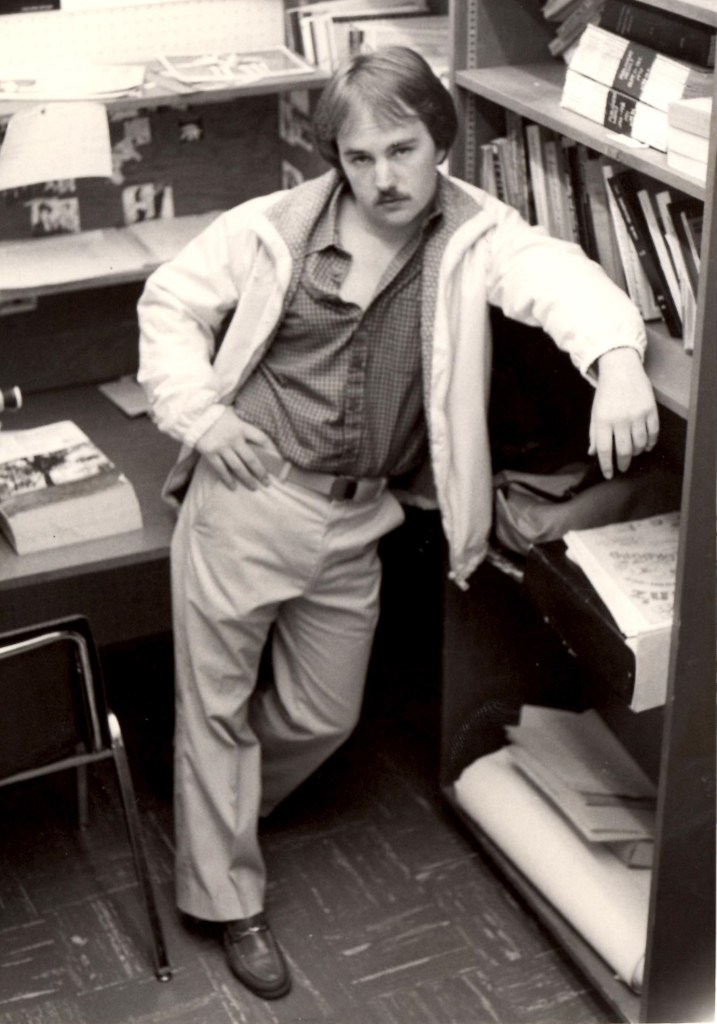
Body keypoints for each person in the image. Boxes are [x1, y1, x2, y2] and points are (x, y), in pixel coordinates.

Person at [137, 46, 659, 1001]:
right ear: (336, 158)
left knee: (324, 715)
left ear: (439, 139)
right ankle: (225, 897)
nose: (382, 177)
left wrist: (619, 359)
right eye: (359, 156)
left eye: (402, 149)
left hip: (358, 517)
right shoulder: (272, 228)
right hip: (249, 497)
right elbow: (170, 302)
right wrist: (200, 417)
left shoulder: (474, 233)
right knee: (213, 706)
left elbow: (558, 277)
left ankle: (211, 803)